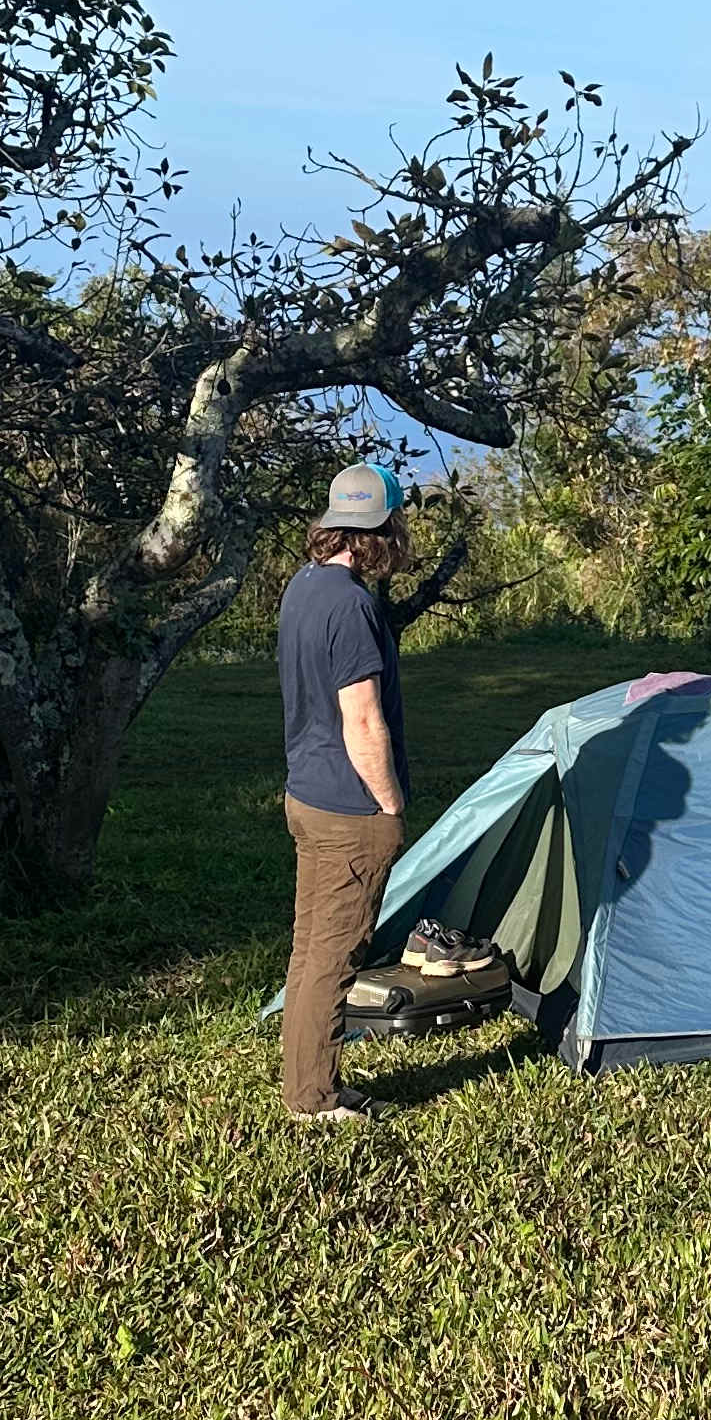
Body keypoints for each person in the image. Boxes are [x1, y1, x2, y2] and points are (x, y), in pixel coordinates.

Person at [276, 460, 415, 1125]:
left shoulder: (302, 588)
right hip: (349, 807)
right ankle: (313, 1100)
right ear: (377, 532)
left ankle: (305, 1083)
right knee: (334, 957)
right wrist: (390, 807)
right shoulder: (354, 605)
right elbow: (362, 721)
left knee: (310, 951)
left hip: (306, 792)